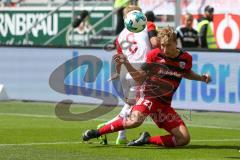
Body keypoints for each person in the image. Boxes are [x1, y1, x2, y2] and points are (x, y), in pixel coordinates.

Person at [83, 26, 212, 147]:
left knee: (183, 139)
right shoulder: (155, 55)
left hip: (164, 104)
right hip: (148, 96)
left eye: (168, 45)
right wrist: (126, 63)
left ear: (175, 42)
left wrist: (201, 78)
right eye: (162, 45)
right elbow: (139, 77)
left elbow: (186, 72)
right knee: (134, 121)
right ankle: (97, 132)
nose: (165, 50)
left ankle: (146, 139)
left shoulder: (185, 59)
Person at [97, 5, 159, 145]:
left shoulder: (121, 35)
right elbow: (155, 43)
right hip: (142, 72)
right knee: (134, 107)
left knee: (129, 106)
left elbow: (118, 57)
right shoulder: (147, 24)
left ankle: (121, 136)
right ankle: (104, 128)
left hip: (128, 73)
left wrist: (118, 73)